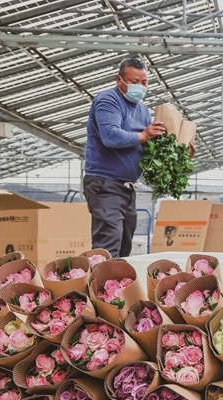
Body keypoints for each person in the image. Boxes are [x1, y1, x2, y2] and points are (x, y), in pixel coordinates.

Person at [83, 58, 195, 257]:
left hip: (127, 187)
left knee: (124, 245)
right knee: (108, 246)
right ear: (119, 79)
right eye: (134, 81)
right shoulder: (108, 100)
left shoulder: (142, 109)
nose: (140, 87)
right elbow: (110, 135)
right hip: (105, 183)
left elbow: (150, 147)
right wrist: (143, 135)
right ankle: (100, 285)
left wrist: (180, 152)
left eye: (144, 83)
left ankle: (115, 285)